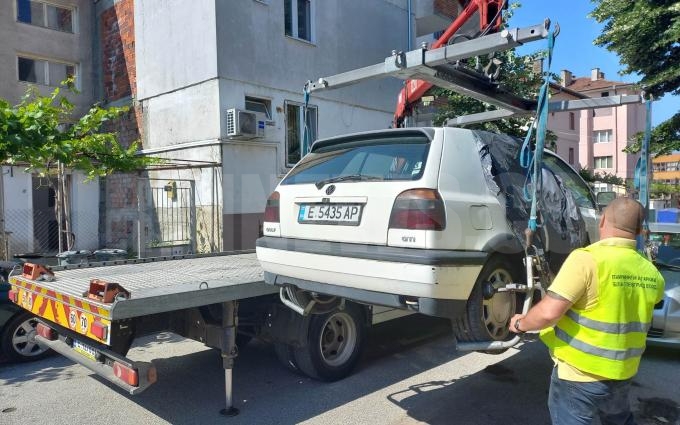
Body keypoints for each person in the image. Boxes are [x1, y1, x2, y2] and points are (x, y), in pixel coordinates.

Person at [509, 197, 665, 425]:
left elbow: (548, 313)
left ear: (602, 221)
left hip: (579, 376)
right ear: (640, 230)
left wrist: (520, 324)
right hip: (622, 374)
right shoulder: (652, 274)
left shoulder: (586, 260)